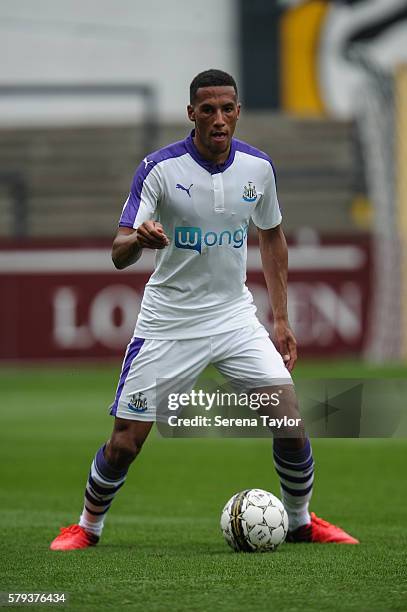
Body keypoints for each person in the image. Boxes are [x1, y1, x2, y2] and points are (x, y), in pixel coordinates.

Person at [50, 69, 358, 550]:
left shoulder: (258, 168)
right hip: (169, 323)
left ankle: (300, 522)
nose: (219, 118)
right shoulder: (160, 169)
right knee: (126, 441)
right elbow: (118, 250)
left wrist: (281, 319)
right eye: (208, 109)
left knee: (291, 421)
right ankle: (86, 528)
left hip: (234, 317)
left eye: (227, 108)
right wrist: (140, 241)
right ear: (191, 113)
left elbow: (272, 235)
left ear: (238, 113)